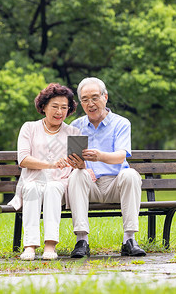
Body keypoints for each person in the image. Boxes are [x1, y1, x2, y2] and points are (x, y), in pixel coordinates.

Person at [66, 77, 146, 258]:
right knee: (77, 175)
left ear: (105, 97)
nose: (90, 104)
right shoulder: (75, 126)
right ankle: (81, 240)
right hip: (89, 186)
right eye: (85, 99)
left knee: (131, 174)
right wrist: (82, 167)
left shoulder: (121, 123)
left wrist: (99, 156)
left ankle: (129, 240)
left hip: (115, 185)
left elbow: (121, 156)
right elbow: (71, 160)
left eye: (95, 98)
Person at [8, 83, 80, 261]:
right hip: (32, 181)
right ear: (43, 107)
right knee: (32, 188)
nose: (59, 112)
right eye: (55, 106)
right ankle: (29, 246)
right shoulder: (29, 128)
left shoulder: (74, 132)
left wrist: (78, 163)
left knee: (53, 187)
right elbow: (23, 159)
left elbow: (79, 164)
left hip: (60, 185)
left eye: (64, 107)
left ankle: (50, 245)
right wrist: (51, 164)